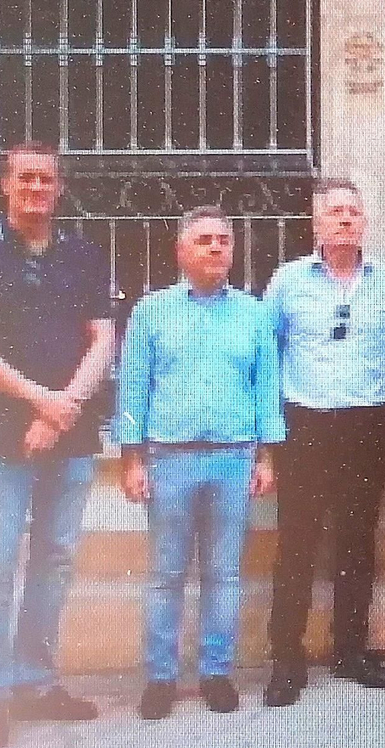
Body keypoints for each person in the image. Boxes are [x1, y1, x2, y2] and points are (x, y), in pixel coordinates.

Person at [0, 144, 115, 748]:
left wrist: (63, 409)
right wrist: (42, 400)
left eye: (47, 178)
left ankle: (37, 684)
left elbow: (102, 340)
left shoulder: (84, 255)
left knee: (55, 560)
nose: (37, 187)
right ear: (5, 187)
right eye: (26, 178)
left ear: (59, 188)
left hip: (70, 439)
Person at [116, 206, 285, 720]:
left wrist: (266, 456)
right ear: (181, 252)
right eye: (204, 240)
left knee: (223, 574)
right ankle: (160, 678)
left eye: (224, 241)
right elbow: (132, 387)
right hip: (170, 460)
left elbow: (266, 389)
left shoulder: (254, 314)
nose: (216, 248)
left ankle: (216, 672)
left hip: (233, 460)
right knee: (166, 574)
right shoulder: (152, 311)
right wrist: (131, 459)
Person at [261, 179, 385, 706]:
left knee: (356, 542)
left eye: (353, 211)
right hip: (303, 425)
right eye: (334, 212)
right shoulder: (288, 281)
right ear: (316, 224)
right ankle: (286, 660)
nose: (345, 219)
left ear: (364, 221)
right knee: (297, 543)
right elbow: (267, 352)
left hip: (365, 427)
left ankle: (350, 651)